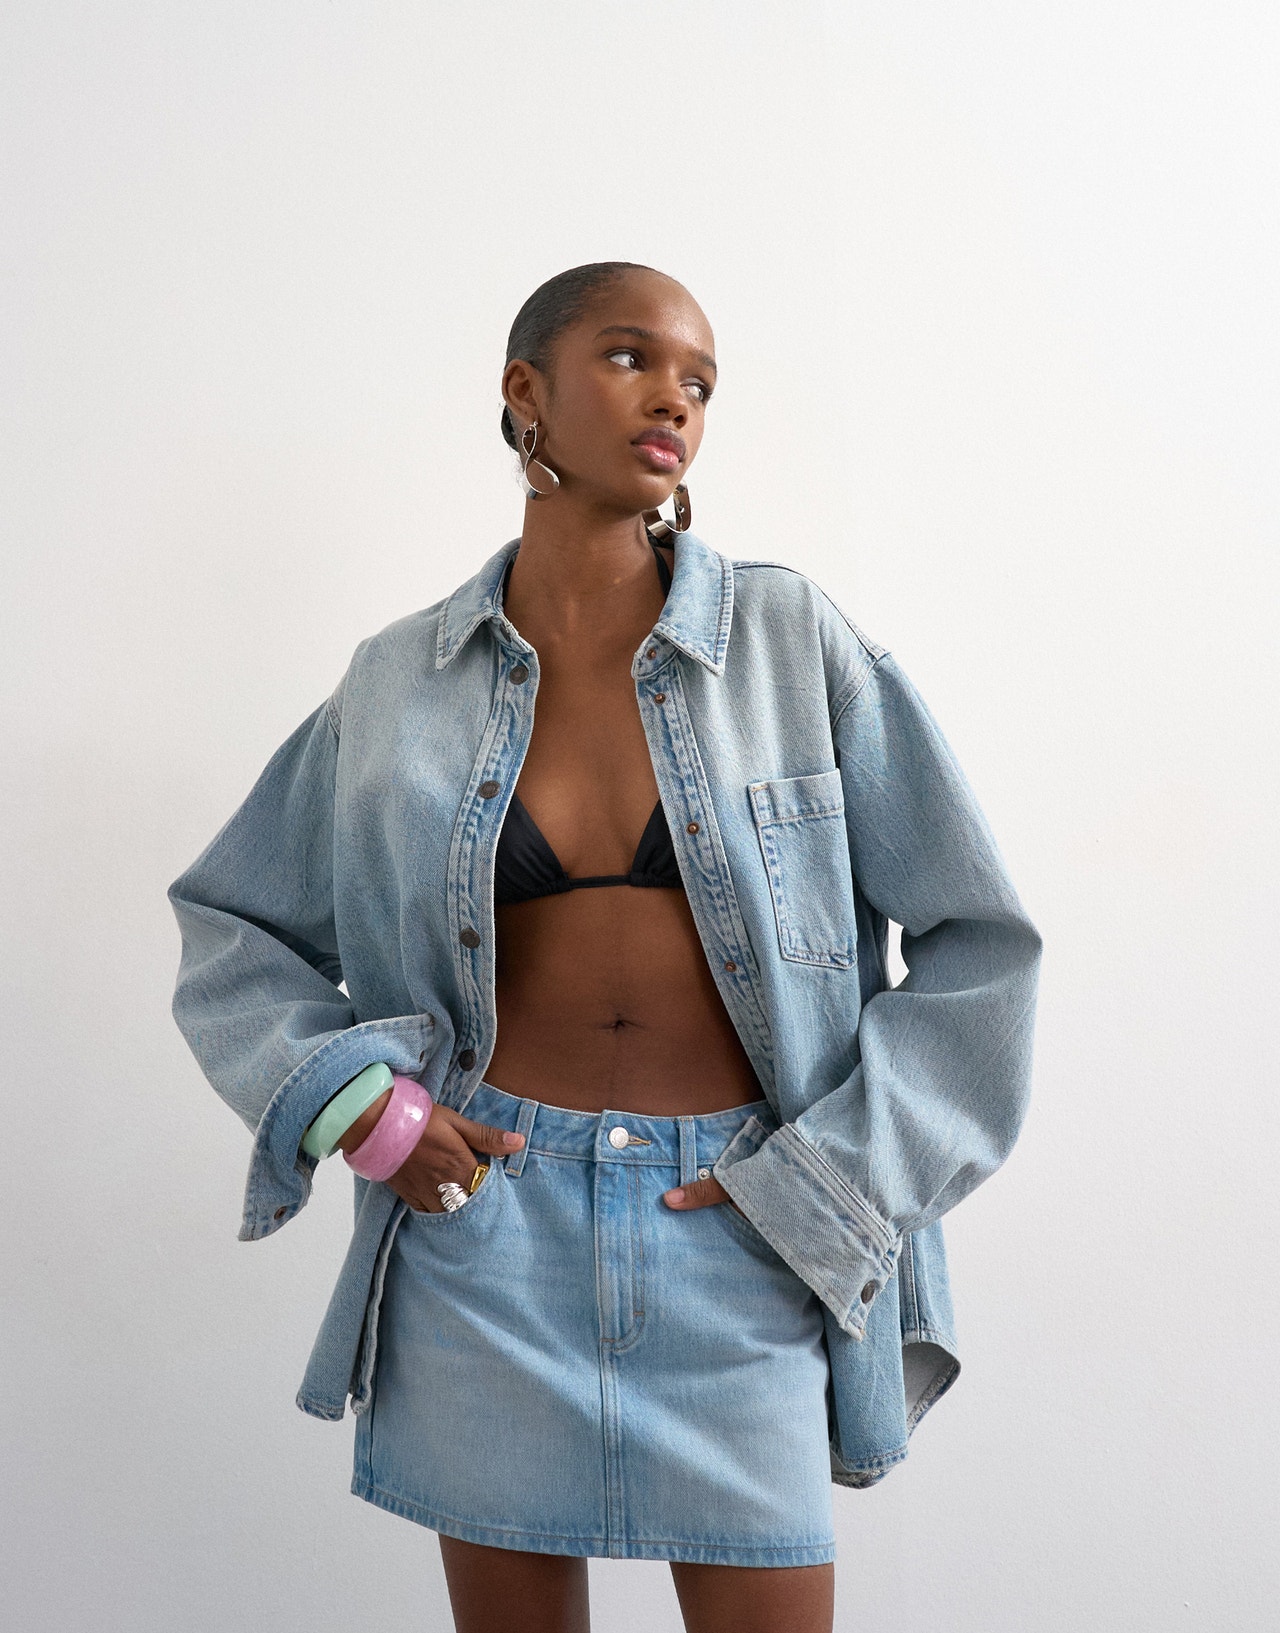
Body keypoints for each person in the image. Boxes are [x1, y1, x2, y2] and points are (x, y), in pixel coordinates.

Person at [169, 261, 1042, 1633]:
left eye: (701, 381)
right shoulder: (398, 679)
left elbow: (981, 941)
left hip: (747, 1224)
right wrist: (367, 1115)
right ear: (526, 392)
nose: (674, 400)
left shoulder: (791, 642)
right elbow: (234, 924)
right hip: (485, 1229)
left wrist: (828, 1185)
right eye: (632, 358)